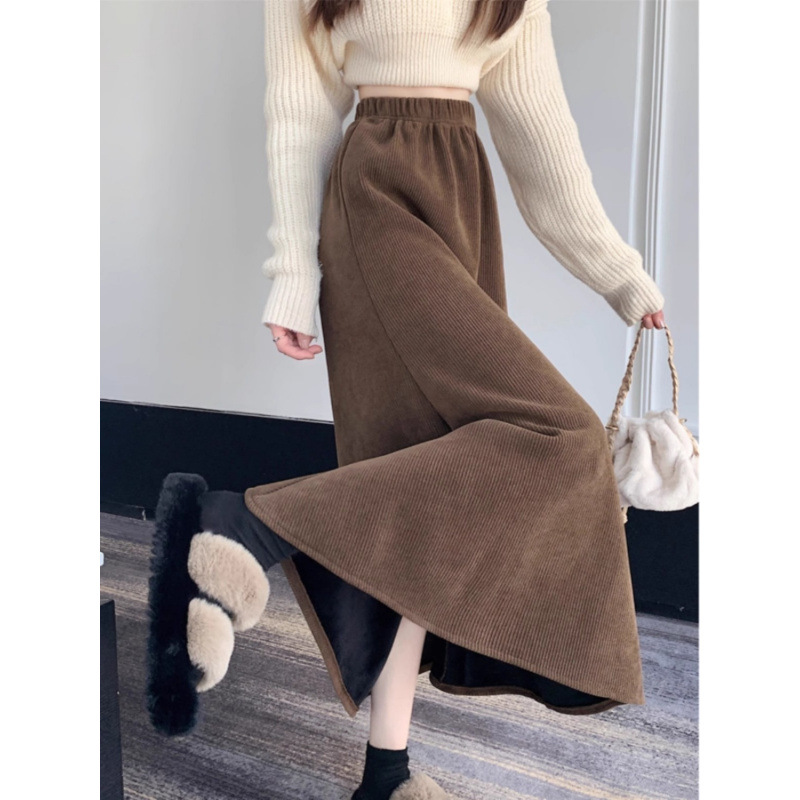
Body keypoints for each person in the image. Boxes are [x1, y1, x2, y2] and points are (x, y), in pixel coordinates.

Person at [145, 2, 666, 799]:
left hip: (462, 202)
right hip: (374, 198)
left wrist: (621, 275)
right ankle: (244, 526)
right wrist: (294, 275)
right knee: (560, 435)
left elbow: (544, 143)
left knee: (428, 515)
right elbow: (298, 116)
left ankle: (385, 773)